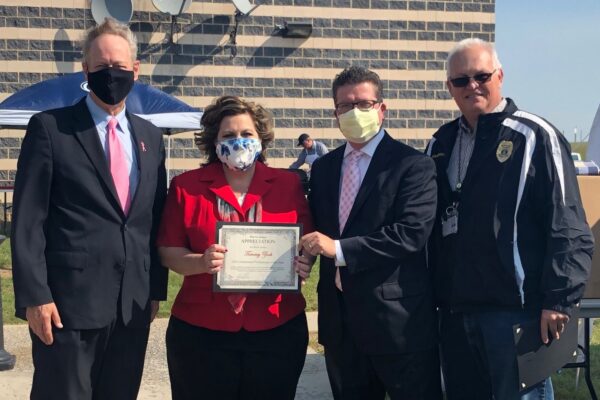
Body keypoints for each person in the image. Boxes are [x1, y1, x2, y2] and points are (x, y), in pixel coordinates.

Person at [426, 38, 594, 400]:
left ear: (500, 75)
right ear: (449, 88)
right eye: (461, 80)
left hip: (516, 312)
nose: (472, 86)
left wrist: (559, 300)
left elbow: (569, 227)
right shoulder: (440, 143)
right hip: (455, 313)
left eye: (481, 75)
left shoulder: (535, 136)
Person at [10, 17, 168, 400]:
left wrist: (155, 290)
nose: (111, 74)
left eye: (119, 66)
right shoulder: (50, 129)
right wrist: (34, 296)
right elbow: (28, 221)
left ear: (135, 69)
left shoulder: (151, 136)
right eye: (101, 67)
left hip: (131, 304)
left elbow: (152, 218)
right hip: (67, 306)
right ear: (85, 70)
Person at [157, 95, 315, 400]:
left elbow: (306, 241)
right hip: (201, 332)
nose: (238, 141)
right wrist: (201, 262)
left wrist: (303, 262)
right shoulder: (186, 187)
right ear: (213, 141)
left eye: (247, 134)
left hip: (276, 328)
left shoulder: (288, 184)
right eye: (228, 135)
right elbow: (167, 250)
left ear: (261, 139)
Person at [300, 66, 441, 399]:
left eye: (363, 103)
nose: (355, 112)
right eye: (345, 106)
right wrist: (302, 254)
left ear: (382, 109)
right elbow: (316, 228)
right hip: (340, 322)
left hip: (397, 323)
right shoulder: (323, 169)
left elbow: (411, 233)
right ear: (335, 113)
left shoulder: (413, 165)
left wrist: (339, 249)